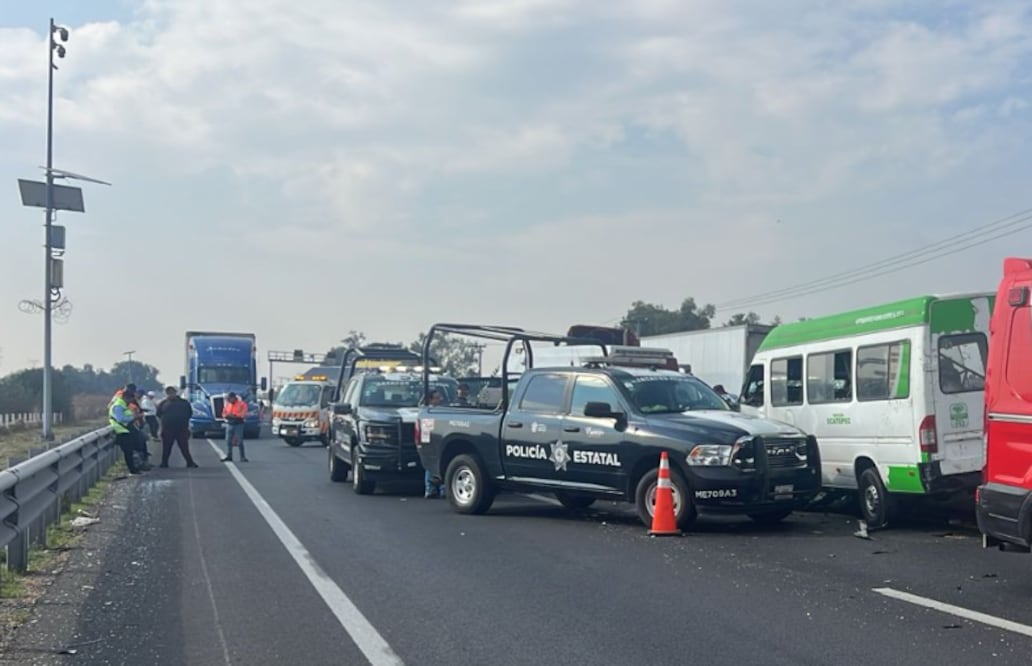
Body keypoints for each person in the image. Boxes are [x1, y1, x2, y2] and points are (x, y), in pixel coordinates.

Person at [157, 386, 198, 468]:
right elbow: (159, 414)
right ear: (167, 394)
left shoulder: (184, 403)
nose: (171, 394)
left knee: (184, 447)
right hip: (168, 429)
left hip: (181, 429)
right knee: (166, 447)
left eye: (172, 392)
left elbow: (189, 413)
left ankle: (190, 462)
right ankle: (164, 463)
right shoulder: (163, 403)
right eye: (169, 393)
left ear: (175, 393)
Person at [109, 387, 146, 474]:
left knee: (134, 449)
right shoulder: (118, 406)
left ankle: (135, 467)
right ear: (127, 398)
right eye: (131, 399)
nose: (131, 401)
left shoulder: (123, 405)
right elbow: (120, 419)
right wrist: (134, 417)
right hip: (122, 431)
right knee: (128, 452)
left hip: (127, 431)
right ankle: (133, 469)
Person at [423, 389, 446, 499]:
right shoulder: (428, 413)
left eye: (440, 397)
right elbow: (426, 432)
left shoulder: (442, 411)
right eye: (437, 398)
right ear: (430, 400)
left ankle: (443, 490)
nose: (439, 400)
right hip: (431, 444)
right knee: (431, 466)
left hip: (440, 443)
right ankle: (430, 489)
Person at [221, 392, 249, 462]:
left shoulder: (242, 404)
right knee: (228, 440)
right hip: (230, 423)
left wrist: (234, 415)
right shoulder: (228, 404)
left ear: (233, 398)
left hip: (238, 424)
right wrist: (227, 416)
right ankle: (229, 456)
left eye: (229, 399)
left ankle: (242, 457)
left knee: (240, 441)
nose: (228, 400)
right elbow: (224, 413)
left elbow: (243, 414)